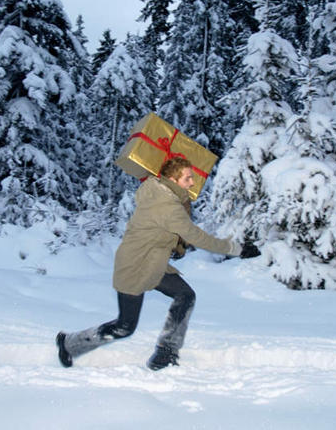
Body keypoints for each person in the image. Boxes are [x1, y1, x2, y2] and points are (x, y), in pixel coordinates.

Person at [56, 156, 242, 370]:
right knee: (124, 326)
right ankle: (69, 344)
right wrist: (235, 248)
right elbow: (197, 237)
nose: (192, 183)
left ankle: (166, 352)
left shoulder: (158, 191)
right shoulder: (168, 206)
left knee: (185, 295)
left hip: (153, 263)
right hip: (135, 267)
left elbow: (167, 231)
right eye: (188, 178)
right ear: (173, 178)